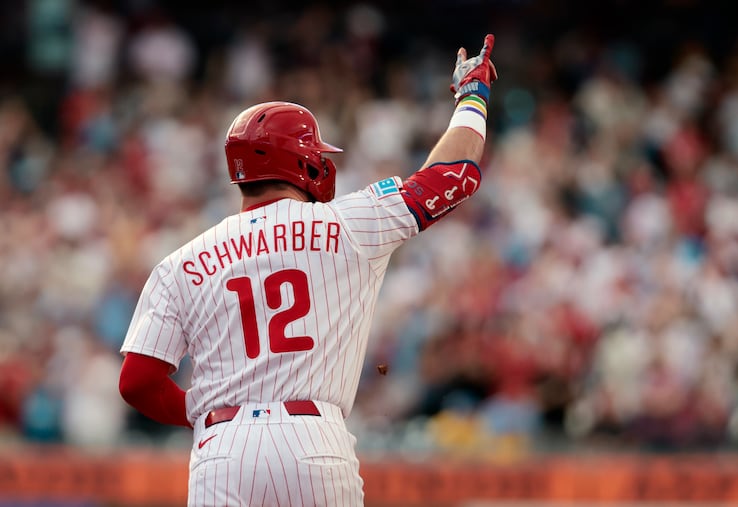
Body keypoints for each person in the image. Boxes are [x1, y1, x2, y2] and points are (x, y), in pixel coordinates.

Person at [118, 33, 497, 507]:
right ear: (303, 161)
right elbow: (456, 174)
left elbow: (137, 382)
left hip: (222, 448)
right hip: (313, 441)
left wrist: (203, 411)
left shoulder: (181, 262)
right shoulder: (349, 222)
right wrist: (472, 96)